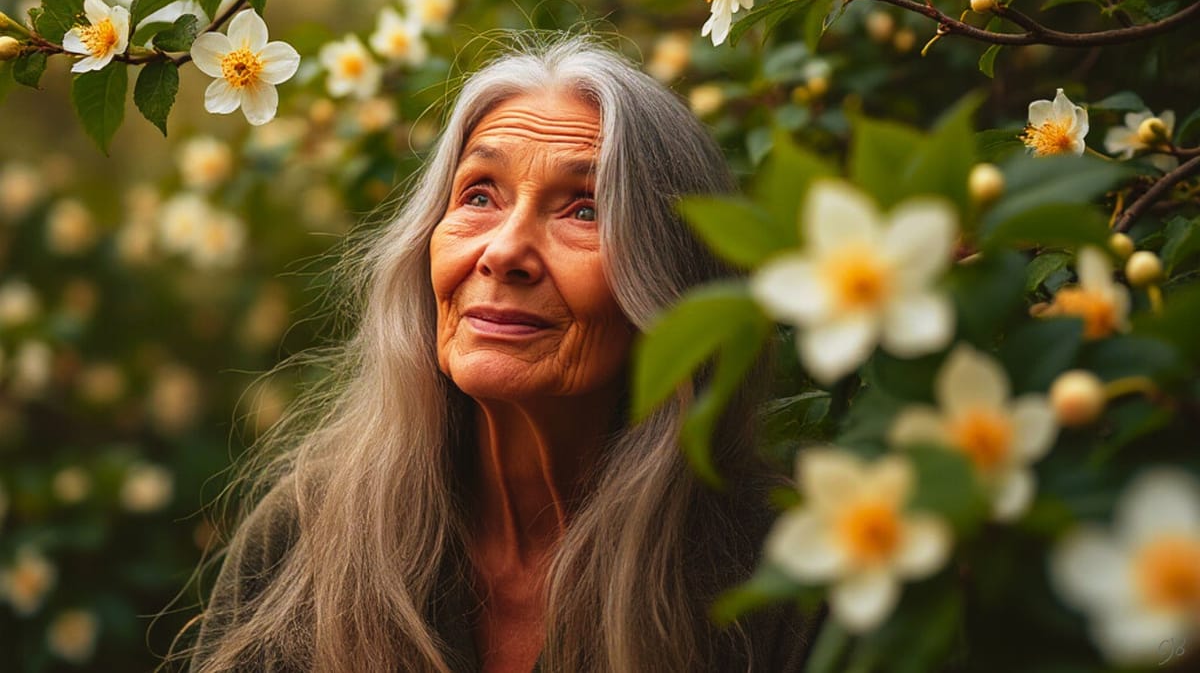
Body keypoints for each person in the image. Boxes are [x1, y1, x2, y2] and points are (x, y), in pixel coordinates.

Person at [187, 35, 821, 673]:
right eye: (479, 196)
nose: (503, 252)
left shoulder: (780, 569)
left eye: (584, 209)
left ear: (672, 288)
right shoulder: (310, 530)